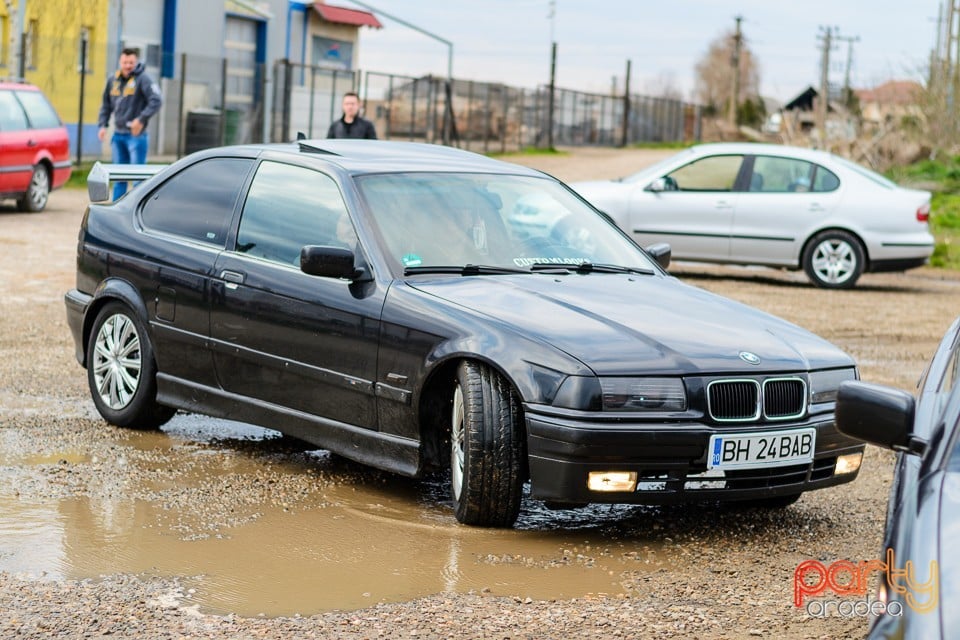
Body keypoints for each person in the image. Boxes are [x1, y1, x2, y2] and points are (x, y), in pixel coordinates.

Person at [97, 47, 163, 199]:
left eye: (131, 62)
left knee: (138, 179)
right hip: (118, 135)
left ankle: (137, 209)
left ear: (136, 62)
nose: (128, 65)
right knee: (119, 178)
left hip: (136, 136)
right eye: (125, 62)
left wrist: (141, 119)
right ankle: (117, 208)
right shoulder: (112, 80)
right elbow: (106, 105)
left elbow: (156, 100)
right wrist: (103, 125)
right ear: (120, 61)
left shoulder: (143, 79)